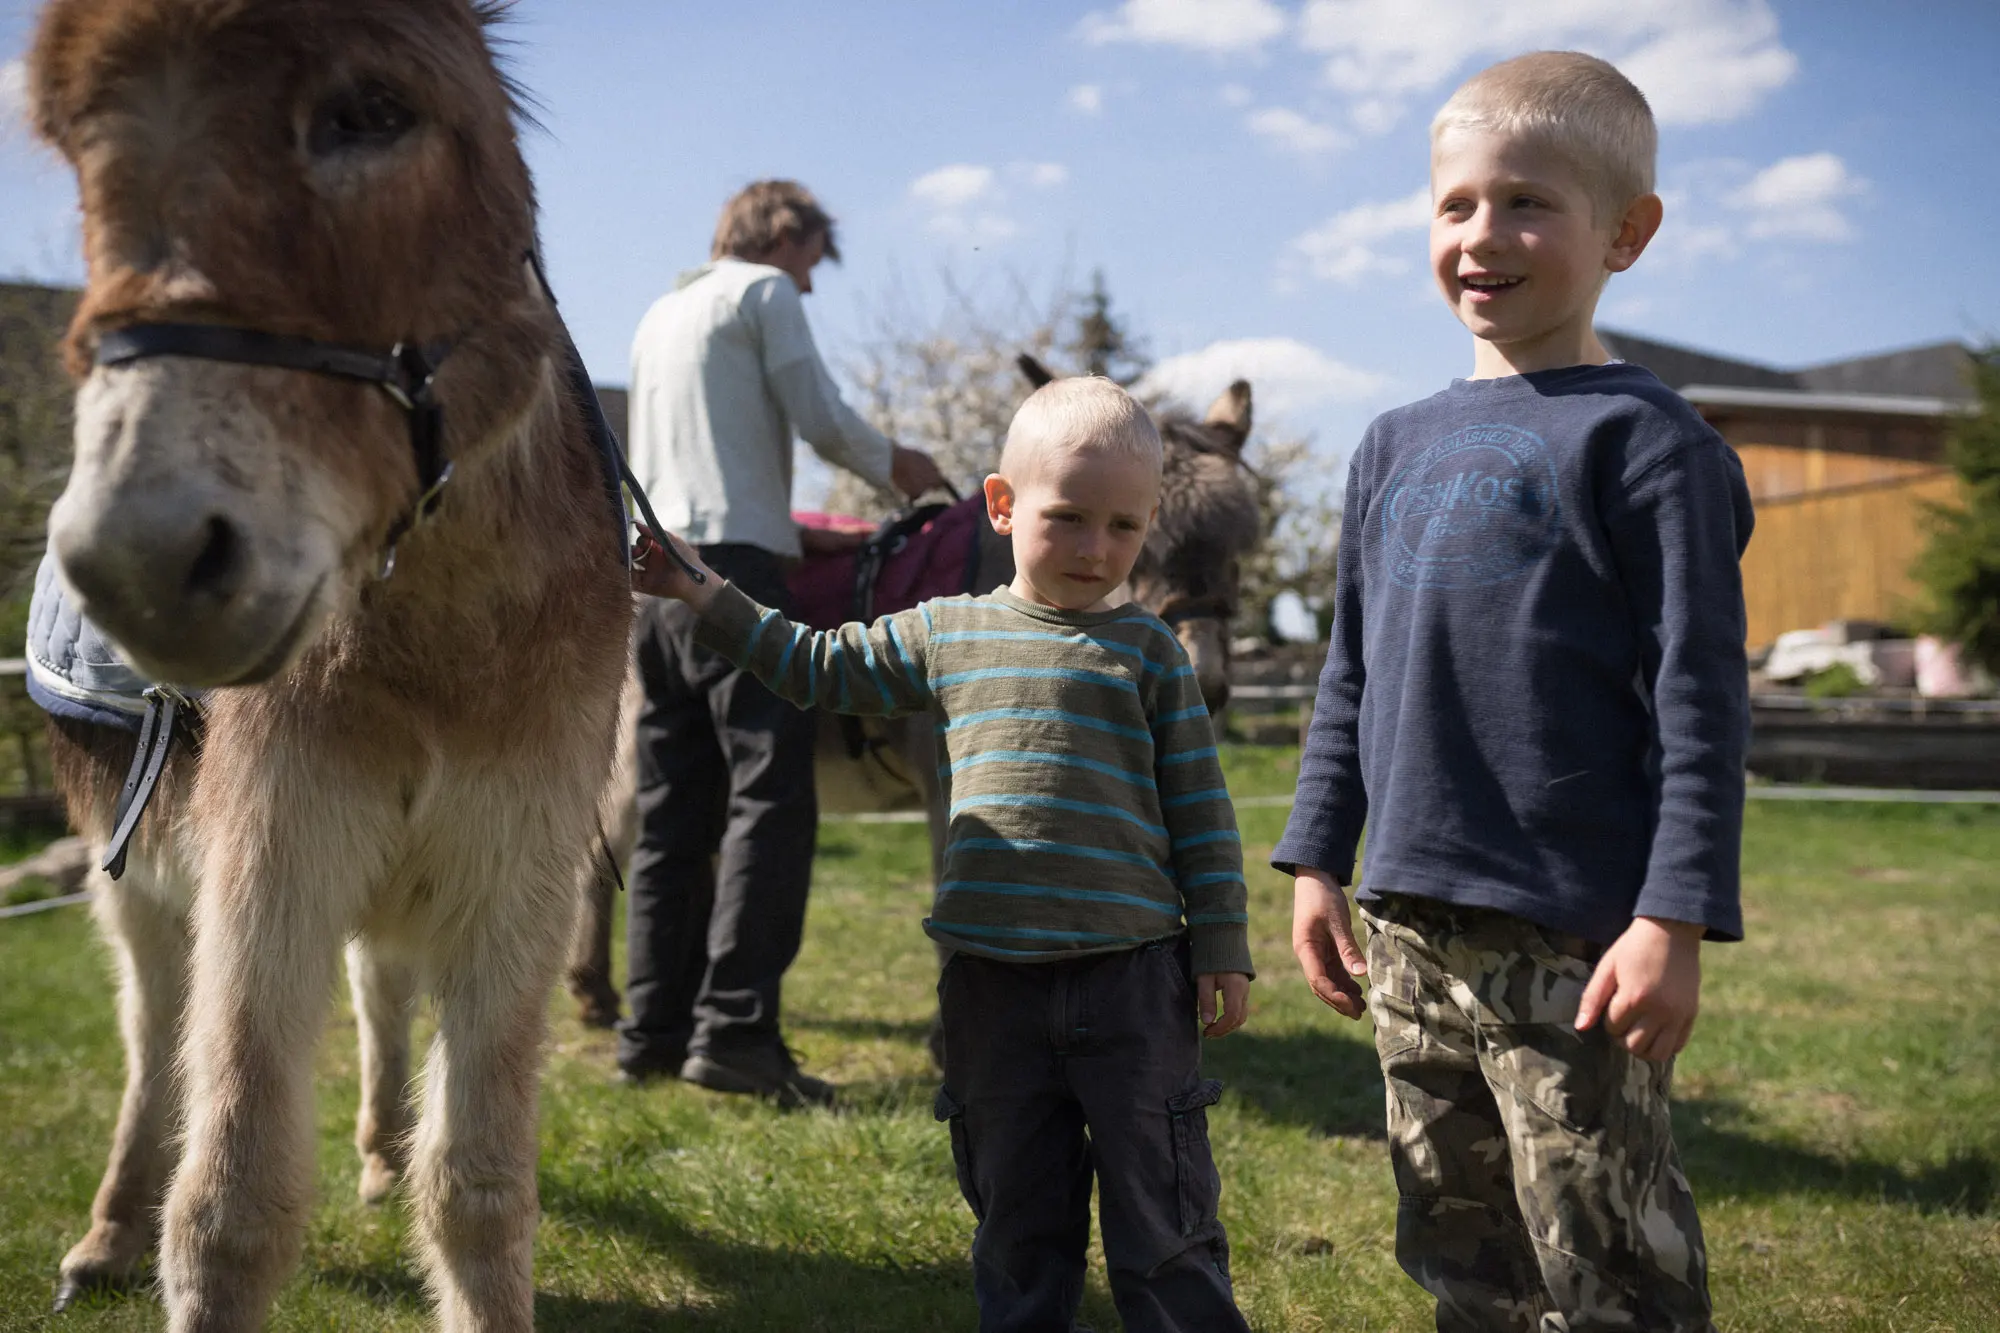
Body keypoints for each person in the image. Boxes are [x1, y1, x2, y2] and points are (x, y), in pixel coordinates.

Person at [1277, 52, 1754, 1332]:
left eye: (1528, 203)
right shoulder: (1388, 442)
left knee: (1602, 1256)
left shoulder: (1652, 445)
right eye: (1455, 205)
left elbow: (1700, 702)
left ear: (1626, 233)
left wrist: (1675, 916)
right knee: (1456, 1245)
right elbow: (1350, 671)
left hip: (1573, 935)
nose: (1483, 235)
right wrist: (1317, 856)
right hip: (1408, 922)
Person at [633, 377, 1255, 1333]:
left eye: (1124, 527)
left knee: (1164, 1215)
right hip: (991, 991)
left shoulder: (1150, 653)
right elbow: (811, 663)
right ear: (1002, 505)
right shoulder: (947, 632)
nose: (1096, 549)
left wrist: (1219, 938)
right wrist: (698, 589)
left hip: (1133, 986)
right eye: (1069, 517)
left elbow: (1202, 810)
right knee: (1015, 1222)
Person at [619, 180, 946, 1103]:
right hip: (733, 578)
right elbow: (821, 415)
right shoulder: (760, 293)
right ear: (785, 235)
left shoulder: (657, 313)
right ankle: (738, 1034)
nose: (806, 289)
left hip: (652, 582)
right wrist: (901, 466)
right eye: (810, 268)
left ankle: (652, 1032)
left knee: (674, 814)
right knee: (772, 799)